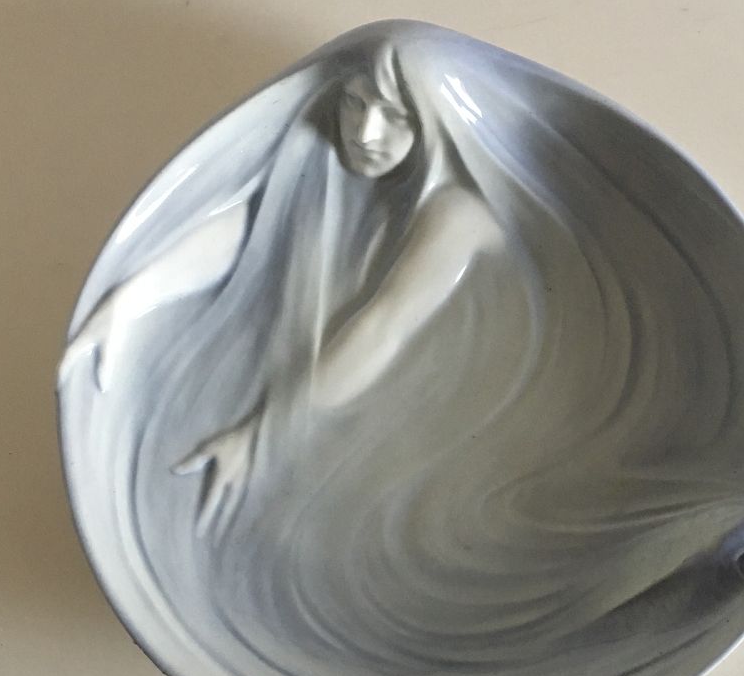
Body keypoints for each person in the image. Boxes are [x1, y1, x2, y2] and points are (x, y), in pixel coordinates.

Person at [61, 44, 503, 534]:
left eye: (396, 116)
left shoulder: (459, 215)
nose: (365, 133)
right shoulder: (323, 158)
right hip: (316, 394)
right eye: (354, 103)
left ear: (437, 122)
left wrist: (260, 437)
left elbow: (381, 330)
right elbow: (253, 231)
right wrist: (127, 300)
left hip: (417, 438)